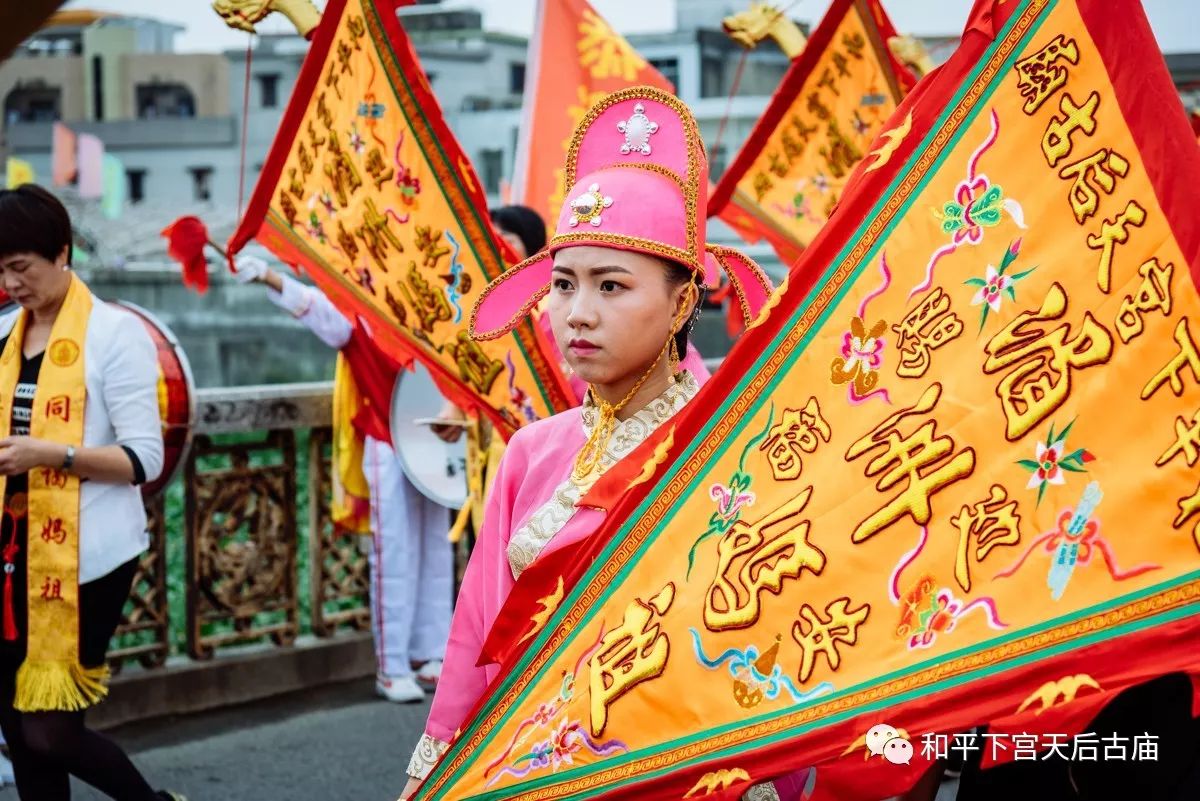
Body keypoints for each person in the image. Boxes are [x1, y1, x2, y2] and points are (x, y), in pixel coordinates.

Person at [400, 86, 775, 799]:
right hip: (533, 768)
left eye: (611, 286)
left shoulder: (732, 450)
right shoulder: (532, 452)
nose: (578, 313)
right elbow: (475, 636)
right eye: (565, 284)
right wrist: (433, 771)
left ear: (682, 302)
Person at [0, 184, 182, 801]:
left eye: (20, 267)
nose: (11, 283)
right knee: (19, 732)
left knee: (50, 733)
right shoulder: (4, 336)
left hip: (89, 556)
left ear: (61, 253)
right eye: (0, 270)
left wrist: (52, 455)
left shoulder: (114, 334)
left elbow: (142, 459)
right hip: (10, 554)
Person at [233, 254, 453, 703]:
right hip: (385, 436)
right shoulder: (361, 306)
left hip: (436, 435)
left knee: (436, 545)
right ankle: (391, 666)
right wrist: (272, 276)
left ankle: (432, 654)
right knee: (393, 549)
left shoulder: (436, 304)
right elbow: (320, 310)